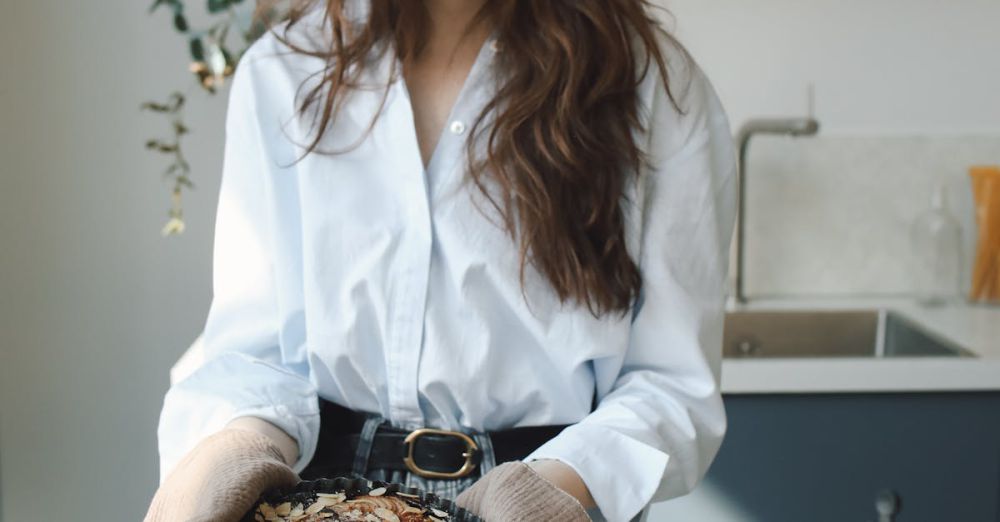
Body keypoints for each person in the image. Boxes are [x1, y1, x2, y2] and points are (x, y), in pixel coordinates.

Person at [144, 0, 737, 521]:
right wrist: (235, 449)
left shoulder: (652, 88)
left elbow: (670, 385)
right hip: (318, 491)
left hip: (547, 490)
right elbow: (255, 347)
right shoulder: (285, 70)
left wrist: (539, 496)